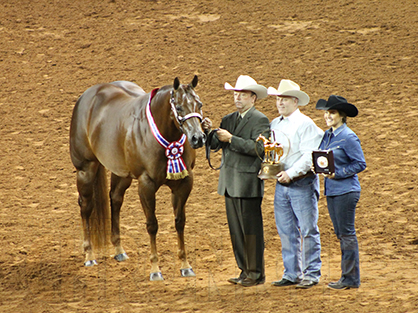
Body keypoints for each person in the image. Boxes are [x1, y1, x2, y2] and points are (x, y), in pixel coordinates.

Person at [202, 75, 270, 287]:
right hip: (230, 182)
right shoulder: (228, 118)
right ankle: (244, 270)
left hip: (247, 182)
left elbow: (260, 149)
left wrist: (231, 139)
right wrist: (208, 131)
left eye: (242, 94)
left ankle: (256, 273)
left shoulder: (260, 120)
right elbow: (215, 144)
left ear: (253, 98)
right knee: (236, 231)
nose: (237, 97)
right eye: (235, 94)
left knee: (250, 231)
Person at [268, 79, 324, 289]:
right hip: (282, 183)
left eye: (284, 99)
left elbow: (310, 156)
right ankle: (292, 273)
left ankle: (311, 273)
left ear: (295, 101)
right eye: (278, 99)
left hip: (301, 182)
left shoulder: (306, 124)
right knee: (286, 230)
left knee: (308, 229)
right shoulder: (275, 124)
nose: (280, 102)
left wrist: (290, 174)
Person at [315, 95, 366, 290]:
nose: (328, 115)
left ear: (342, 115)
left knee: (346, 234)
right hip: (334, 191)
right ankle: (348, 276)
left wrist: (338, 173)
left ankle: (351, 278)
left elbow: (360, 163)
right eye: (327, 112)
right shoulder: (328, 135)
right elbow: (322, 157)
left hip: (345, 190)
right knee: (341, 233)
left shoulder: (348, 136)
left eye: (332, 112)